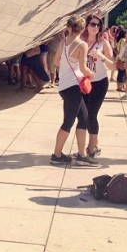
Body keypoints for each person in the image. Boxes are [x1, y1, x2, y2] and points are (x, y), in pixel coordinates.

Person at [50, 15, 96, 166]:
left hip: (65, 85)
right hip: (73, 87)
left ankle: (82, 153)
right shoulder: (81, 45)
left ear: (68, 27)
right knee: (68, 121)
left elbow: (56, 62)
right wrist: (91, 74)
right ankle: (56, 155)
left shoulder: (64, 42)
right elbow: (83, 68)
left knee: (84, 117)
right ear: (82, 29)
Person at [81, 14, 114, 157]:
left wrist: (101, 56)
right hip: (83, 82)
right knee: (84, 115)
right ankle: (95, 141)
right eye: (92, 24)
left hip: (99, 82)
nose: (95, 27)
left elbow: (113, 66)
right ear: (86, 26)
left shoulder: (103, 43)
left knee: (91, 114)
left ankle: (91, 147)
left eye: (98, 25)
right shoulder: (81, 42)